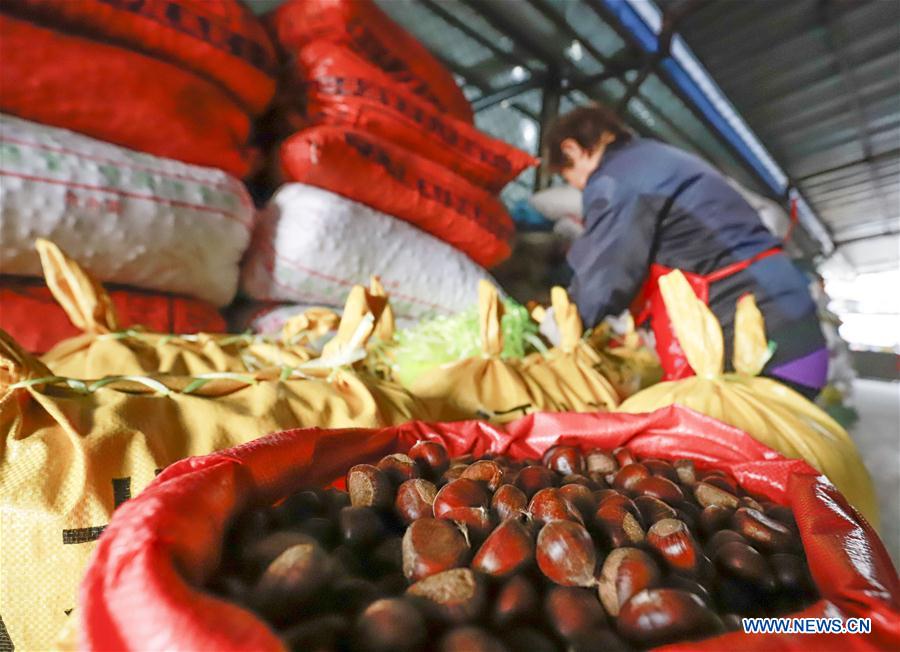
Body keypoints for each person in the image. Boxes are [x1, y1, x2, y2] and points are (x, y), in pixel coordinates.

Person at [544, 104, 827, 398]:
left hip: (757, 338)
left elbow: (608, 270)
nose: (576, 186)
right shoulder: (654, 158)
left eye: (566, 176)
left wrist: (568, 316)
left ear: (572, 150)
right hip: (792, 326)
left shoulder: (617, 178)